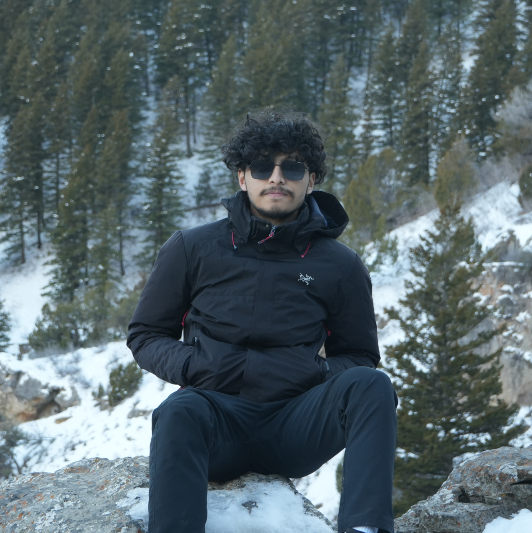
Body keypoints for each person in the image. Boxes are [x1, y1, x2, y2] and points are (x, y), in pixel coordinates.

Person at [127, 109, 397, 533]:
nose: (276, 177)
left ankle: (365, 529)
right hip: (215, 421)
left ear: (310, 179)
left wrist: (319, 371)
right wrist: (195, 367)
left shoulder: (339, 266)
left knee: (371, 386)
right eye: (261, 166)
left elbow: (360, 355)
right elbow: (145, 334)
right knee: (178, 410)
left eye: (292, 167)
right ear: (242, 177)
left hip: (295, 425)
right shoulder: (192, 248)